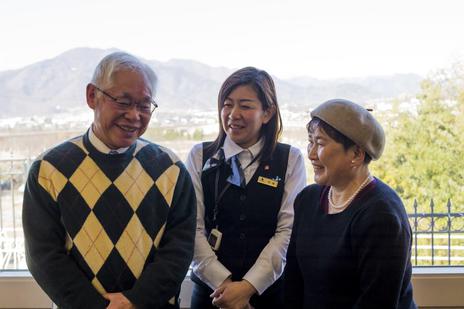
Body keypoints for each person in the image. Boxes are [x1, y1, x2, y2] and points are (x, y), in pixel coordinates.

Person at [22, 52, 196, 309]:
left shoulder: (170, 169)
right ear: (92, 96)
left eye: (145, 105)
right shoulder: (48, 169)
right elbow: (43, 256)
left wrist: (136, 301)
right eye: (123, 102)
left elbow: (179, 249)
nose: (134, 115)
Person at [185, 67, 306, 309]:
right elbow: (190, 227)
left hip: (268, 294)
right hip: (212, 294)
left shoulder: (290, 159)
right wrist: (226, 284)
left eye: (246, 106)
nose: (233, 114)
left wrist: (248, 287)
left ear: (267, 113)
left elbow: (287, 232)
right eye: (227, 104)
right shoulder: (200, 155)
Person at [283, 98, 416, 308]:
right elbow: (292, 282)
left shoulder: (382, 215)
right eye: (310, 141)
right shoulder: (307, 200)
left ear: (356, 154)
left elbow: (377, 302)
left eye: (320, 143)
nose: (310, 154)